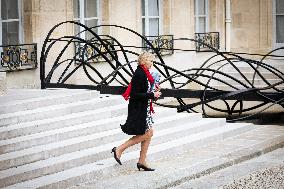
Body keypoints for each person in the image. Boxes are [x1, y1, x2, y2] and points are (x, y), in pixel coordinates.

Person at [111, 52, 161, 171]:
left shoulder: (146, 73)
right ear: (144, 61)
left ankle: (142, 161)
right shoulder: (139, 74)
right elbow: (135, 94)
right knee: (147, 134)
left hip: (145, 108)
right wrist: (152, 94)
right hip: (139, 109)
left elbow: (146, 90)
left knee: (149, 133)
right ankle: (119, 149)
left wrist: (155, 92)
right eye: (151, 61)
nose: (152, 64)